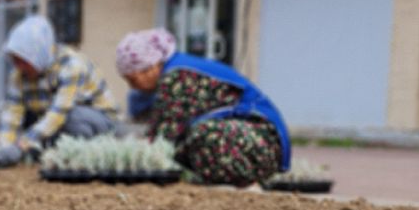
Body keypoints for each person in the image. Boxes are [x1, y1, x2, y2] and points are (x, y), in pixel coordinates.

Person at [115, 28, 290, 187]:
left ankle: (245, 184)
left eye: (133, 79)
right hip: (249, 143)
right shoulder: (173, 71)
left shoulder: (177, 77)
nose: (132, 87)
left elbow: (163, 137)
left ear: (150, 68)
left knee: (203, 136)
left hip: (264, 142)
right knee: (187, 144)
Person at [0, 15, 120, 167]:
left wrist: (22, 145)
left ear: (36, 54)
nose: (19, 66)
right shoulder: (18, 75)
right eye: (15, 60)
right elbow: (11, 114)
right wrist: (5, 148)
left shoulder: (72, 65)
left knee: (72, 118)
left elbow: (58, 113)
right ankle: (45, 152)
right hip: (59, 121)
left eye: (23, 61)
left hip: (100, 121)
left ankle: (82, 158)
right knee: (20, 114)